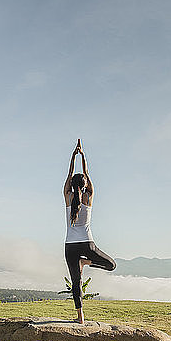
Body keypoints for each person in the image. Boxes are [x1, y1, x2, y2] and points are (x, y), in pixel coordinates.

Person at [63, 139, 116, 324]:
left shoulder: (68, 197)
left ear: (71, 185)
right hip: (87, 244)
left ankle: (80, 317)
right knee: (111, 265)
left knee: (75, 283)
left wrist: (73, 156)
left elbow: (70, 174)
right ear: (85, 185)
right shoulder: (89, 197)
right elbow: (85, 173)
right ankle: (86, 262)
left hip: (70, 247)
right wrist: (83, 156)